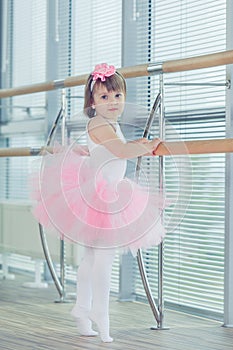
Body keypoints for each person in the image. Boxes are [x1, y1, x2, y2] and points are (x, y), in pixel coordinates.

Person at [30, 63, 166, 343]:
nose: (113, 103)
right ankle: (100, 316)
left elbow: (113, 151)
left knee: (92, 257)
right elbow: (119, 151)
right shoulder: (97, 123)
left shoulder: (110, 123)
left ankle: (82, 309)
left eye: (117, 96)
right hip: (102, 197)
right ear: (92, 101)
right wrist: (148, 145)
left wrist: (139, 142)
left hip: (107, 192)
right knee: (103, 258)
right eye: (104, 97)